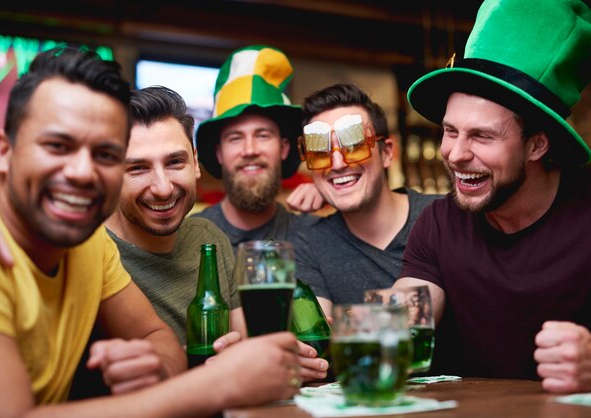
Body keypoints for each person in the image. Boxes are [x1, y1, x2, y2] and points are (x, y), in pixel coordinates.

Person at [0, 47, 301, 416]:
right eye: (57, 146)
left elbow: (154, 336)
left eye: (104, 154)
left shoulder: (88, 243)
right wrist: (218, 383)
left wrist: (153, 364)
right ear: (3, 151)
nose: (81, 172)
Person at [394, 0, 591, 393]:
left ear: (536, 145)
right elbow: (406, 315)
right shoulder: (437, 222)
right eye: (450, 131)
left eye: (482, 136)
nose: (455, 153)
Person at [104, 86, 244, 346]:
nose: (163, 188)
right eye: (137, 168)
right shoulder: (92, 253)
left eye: (175, 163)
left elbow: (245, 346)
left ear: (195, 162)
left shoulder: (208, 239)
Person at [291, 83, 439, 316]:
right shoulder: (308, 245)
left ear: (387, 152)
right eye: (320, 153)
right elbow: (315, 342)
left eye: (354, 146)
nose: (338, 164)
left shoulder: (441, 217)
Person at [193, 45, 318, 256]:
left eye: (262, 135)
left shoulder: (315, 235)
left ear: (284, 148)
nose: (249, 150)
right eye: (235, 138)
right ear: (219, 154)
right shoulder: (189, 240)